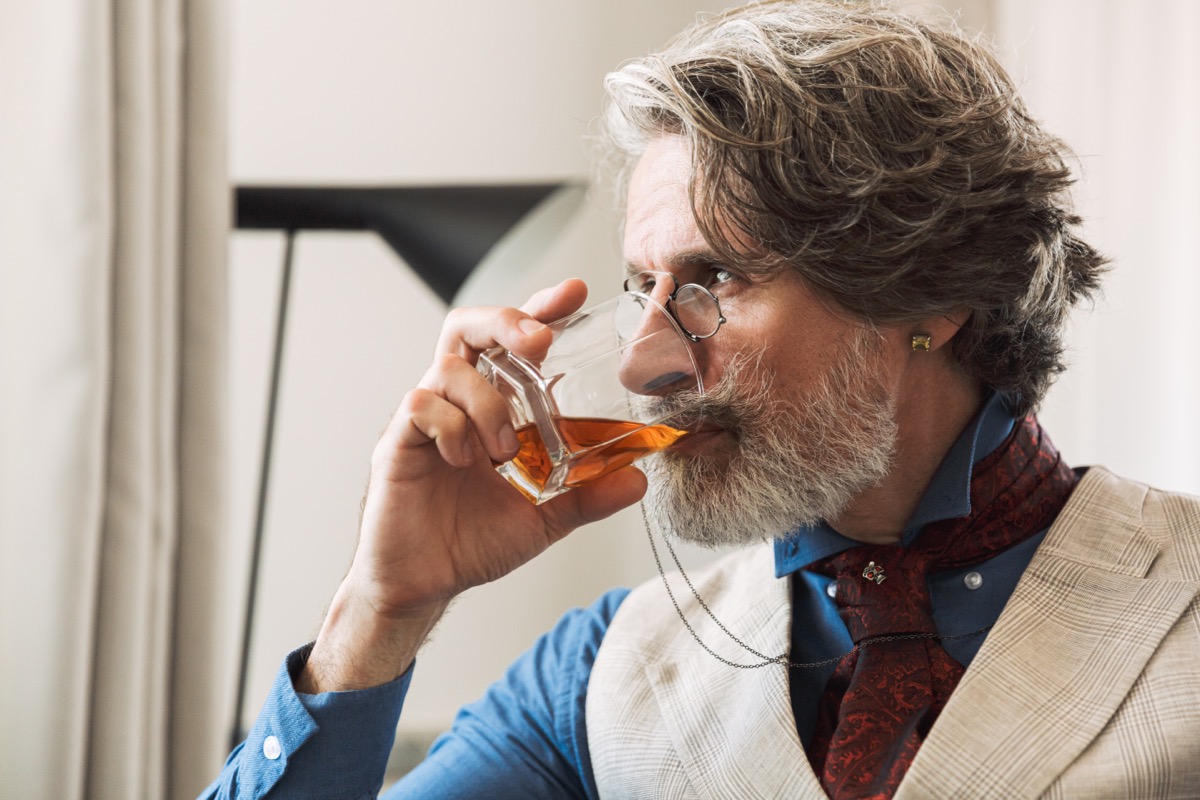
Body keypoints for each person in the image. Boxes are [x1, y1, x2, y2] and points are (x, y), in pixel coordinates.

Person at [202, 2, 1200, 798]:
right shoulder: (594, 674)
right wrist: (382, 609)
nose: (642, 362)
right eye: (644, 283)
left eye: (714, 277)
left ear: (928, 294)